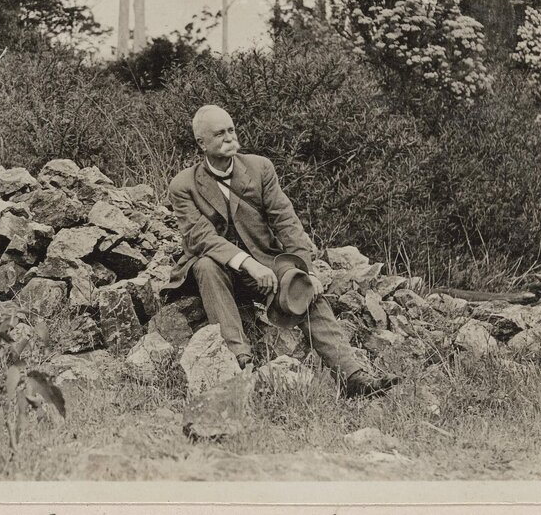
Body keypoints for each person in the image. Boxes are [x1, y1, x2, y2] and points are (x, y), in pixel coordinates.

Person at [164, 104, 397, 397]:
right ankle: (240, 361)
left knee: (302, 285)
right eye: (220, 133)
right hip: (218, 272)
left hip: (265, 262)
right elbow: (201, 237)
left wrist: (307, 270)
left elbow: (286, 221)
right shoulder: (183, 185)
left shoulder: (260, 168)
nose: (230, 137)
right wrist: (248, 264)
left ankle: (353, 377)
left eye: (231, 130)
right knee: (206, 264)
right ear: (202, 143)